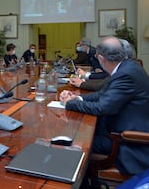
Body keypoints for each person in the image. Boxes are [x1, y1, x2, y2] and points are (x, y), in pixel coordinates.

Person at [60, 36, 149, 175]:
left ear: (101, 58)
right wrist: (78, 97)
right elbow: (102, 94)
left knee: (70, 143)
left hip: (123, 141)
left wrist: (70, 104)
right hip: (115, 129)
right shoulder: (127, 67)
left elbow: (103, 107)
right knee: (77, 134)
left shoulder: (125, 74)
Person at [70, 39, 136, 91]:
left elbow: (101, 88)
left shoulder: (124, 72)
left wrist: (81, 83)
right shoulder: (126, 67)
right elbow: (103, 84)